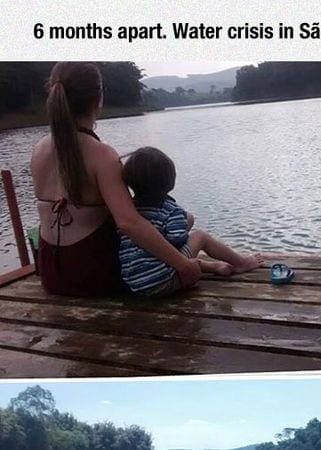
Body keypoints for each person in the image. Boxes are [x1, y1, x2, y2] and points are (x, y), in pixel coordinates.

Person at [30, 62, 202, 297]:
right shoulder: (102, 155)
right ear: (98, 99)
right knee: (174, 222)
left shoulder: (39, 149)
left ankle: (205, 263)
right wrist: (184, 266)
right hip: (94, 277)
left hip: (52, 274)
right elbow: (128, 223)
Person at [118, 146, 264, 296]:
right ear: (170, 182)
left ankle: (213, 267)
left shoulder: (129, 211)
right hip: (161, 281)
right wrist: (185, 228)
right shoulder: (170, 210)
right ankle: (241, 263)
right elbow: (177, 239)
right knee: (200, 236)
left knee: (182, 229)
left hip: (134, 283)